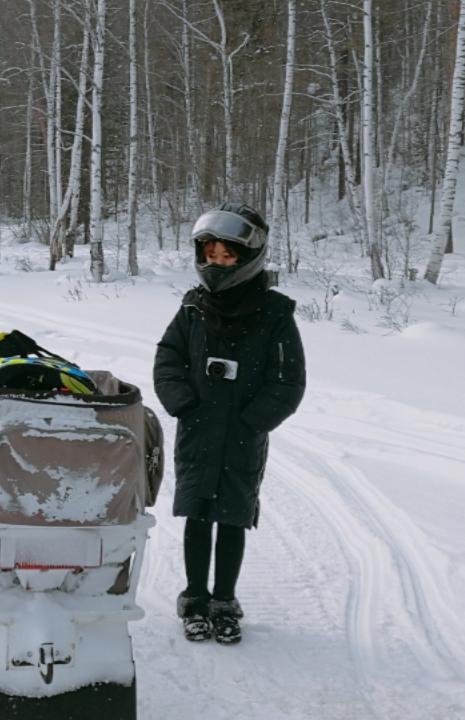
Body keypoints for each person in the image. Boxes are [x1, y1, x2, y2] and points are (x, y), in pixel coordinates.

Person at [153, 203, 306, 644]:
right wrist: (183, 403)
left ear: (247, 257)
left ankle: (224, 600)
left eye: (227, 257)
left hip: (242, 436)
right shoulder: (192, 308)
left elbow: (289, 380)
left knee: (234, 517)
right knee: (198, 515)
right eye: (211, 256)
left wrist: (253, 420)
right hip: (198, 430)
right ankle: (195, 598)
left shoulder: (275, 312)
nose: (217, 264)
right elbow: (168, 359)